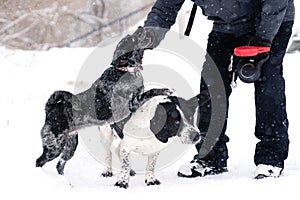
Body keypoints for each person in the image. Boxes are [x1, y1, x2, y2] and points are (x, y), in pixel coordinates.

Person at [111, 0, 295, 179]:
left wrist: (263, 38)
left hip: (271, 22)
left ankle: (271, 157)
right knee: (212, 85)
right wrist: (145, 38)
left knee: (268, 85)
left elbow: (276, 3)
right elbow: (164, 9)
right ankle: (211, 157)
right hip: (226, 26)